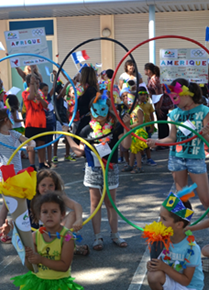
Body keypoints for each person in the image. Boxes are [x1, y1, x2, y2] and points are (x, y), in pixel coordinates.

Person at [146, 78, 209, 243]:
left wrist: (204, 134)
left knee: (205, 199)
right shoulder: (174, 113)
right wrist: (157, 142)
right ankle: (181, 236)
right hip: (177, 158)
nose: (174, 101)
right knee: (181, 199)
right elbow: (172, 137)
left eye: (175, 97)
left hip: (196, 158)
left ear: (186, 94)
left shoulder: (204, 111)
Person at [64, 93, 132, 251]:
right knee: (95, 203)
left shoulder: (115, 127)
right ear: (90, 110)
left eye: (103, 109)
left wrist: (127, 126)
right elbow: (79, 151)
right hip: (92, 169)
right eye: (95, 109)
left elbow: (126, 146)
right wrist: (67, 136)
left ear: (109, 109)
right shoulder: (87, 129)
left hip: (111, 168)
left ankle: (115, 234)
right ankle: (97, 237)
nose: (99, 113)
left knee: (110, 203)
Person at [0, 108, 35, 242]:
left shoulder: (14, 134)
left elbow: (31, 141)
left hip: (18, 175)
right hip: (6, 174)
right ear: (6, 120)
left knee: (20, 203)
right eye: (10, 118)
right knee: (7, 204)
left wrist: (30, 146)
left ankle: (21, 230)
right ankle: (2, 231)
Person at [8, 193, 84, 290]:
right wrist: (27, 257)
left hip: (59, 284)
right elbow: (32, 268)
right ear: (39, 215)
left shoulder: (67, 236)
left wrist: (41, 260)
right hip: (37, 282)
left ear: (62, 214)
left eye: (54, 211)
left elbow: (64, 266)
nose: (49, 215)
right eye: (45, 212)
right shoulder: (34, 236)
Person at [147, 186, 204, 290]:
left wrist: (164, 267)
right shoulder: (160, 240)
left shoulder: (192, 248)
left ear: (179, 225)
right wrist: (153, 266)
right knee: (153, 275)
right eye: (160, 217)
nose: (159, 222)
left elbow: (186, 280)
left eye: (163, 219)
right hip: (171, 279)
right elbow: (159, 264)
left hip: (189, 287)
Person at [30, 169, 88, 255]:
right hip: (39, 234)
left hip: (54, 231)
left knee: (73, 214)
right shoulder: (31, 198)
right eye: (43, 185)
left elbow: (76, 205)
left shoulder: (58, 196)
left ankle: (62, 244)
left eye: (51, 185)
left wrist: (79, 219)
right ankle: (67, 247)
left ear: (55, 186)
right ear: (37, 186)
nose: (47, 189)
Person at [22, 74, 50, 170]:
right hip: (30, 123)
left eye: (38, 83)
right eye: (35, 83)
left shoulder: (40, 94)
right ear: (29, 84)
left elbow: (46, 106)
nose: (38, 85)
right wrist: (32, 85)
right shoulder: (25, 93)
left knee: (41, 144)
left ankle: (42, 163)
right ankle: (32, 165)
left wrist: (40, 99)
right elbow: (30, 97)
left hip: (41, 123)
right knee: (31, 145)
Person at [145, 62, 171, 143]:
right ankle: (162, 141)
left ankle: (163, 141)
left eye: (145, 69)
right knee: (161, 122)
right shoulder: (150, 79)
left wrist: (159, 107)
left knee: (162, 122)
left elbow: (160, 94)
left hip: (162, 103)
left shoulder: (155, 79)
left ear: (149, 70)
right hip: (157, 103)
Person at [74, 66, 99, 136]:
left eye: (81, 74)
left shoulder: (91, 90)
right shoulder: (85, 89)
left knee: (78, 140)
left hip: (88, 120)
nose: (80, 76)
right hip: (83, 119)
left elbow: (94, 104)